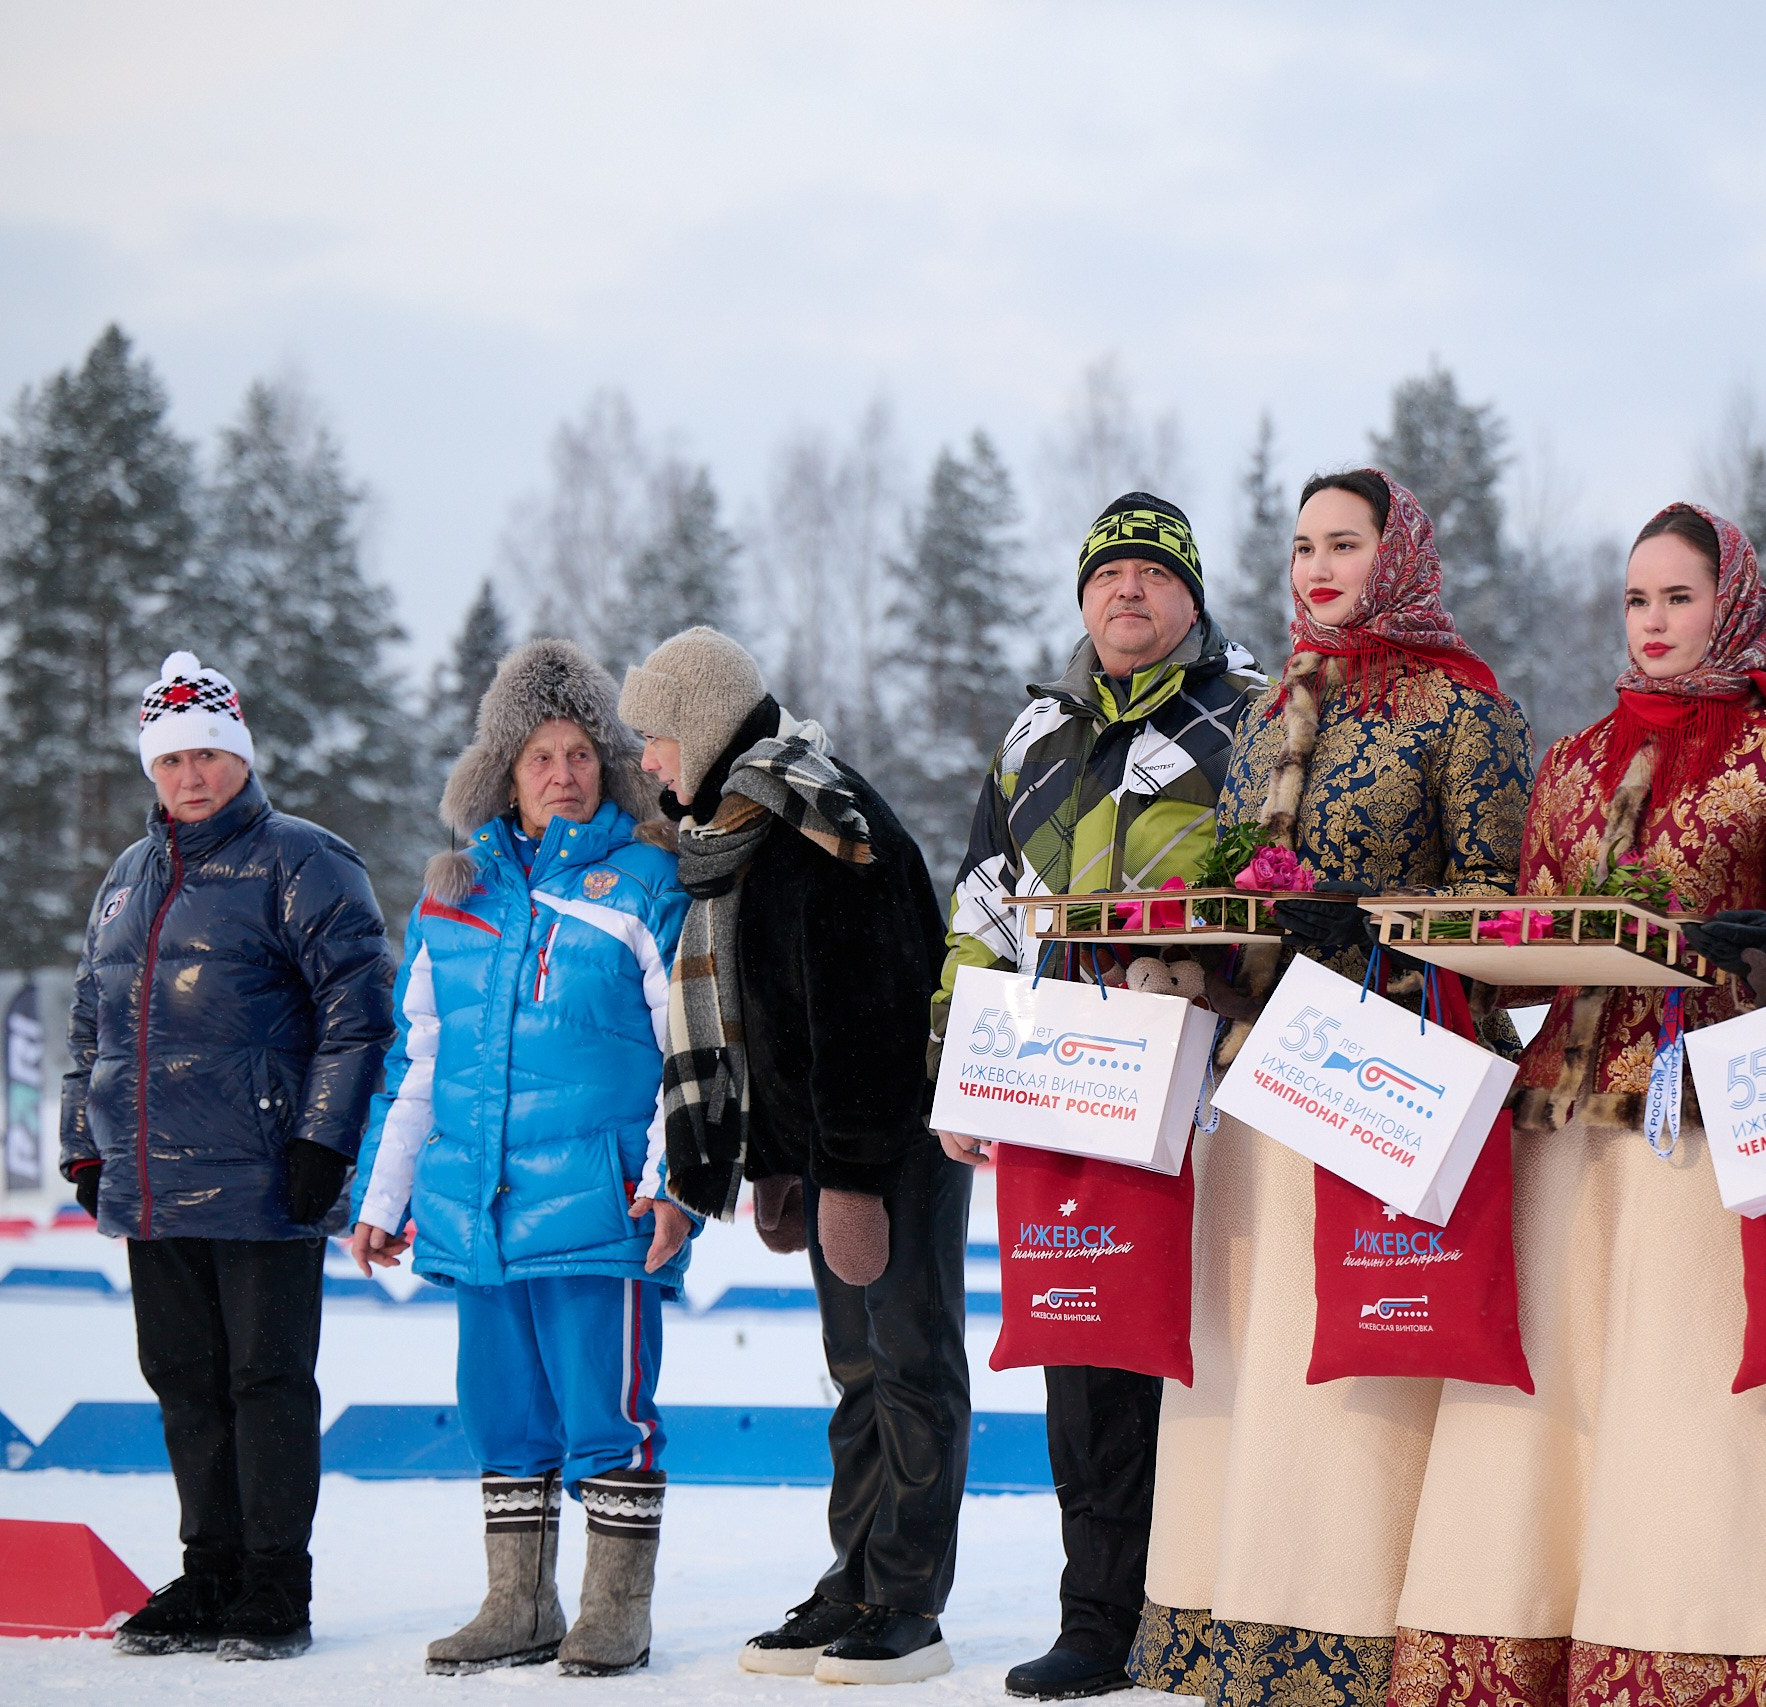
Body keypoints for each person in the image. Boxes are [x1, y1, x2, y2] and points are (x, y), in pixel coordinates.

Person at [1386, 505, 1766, 1707]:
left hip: (1712, 1126)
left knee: (1695, 1390)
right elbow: (1536, 934)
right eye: (1636, 600)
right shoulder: (1567, 762)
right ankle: (1525, 1642)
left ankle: (1722, 1642)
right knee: (1551, 1397)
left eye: (1679, 596)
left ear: (1736, 602)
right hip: (1566, 1122)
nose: (1655, 622)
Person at [1130, 470, 1533, 1707]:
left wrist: (1361, 921)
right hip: (1257, 1077)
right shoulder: (1264, 715)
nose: (1316, 567)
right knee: (1251, 1352)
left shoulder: (1466, 709)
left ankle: (1348, 1626)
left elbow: (1500, 903)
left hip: (1384, 1077)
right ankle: (1237, 1615)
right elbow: (1231, 876)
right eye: (1302, 544)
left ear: (1395, 555)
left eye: (1343, 544)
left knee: (1353, 1365)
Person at [932, 492, 1271, 1699]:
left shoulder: (1254, 717)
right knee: (1084, 1348)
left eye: (1152, 572)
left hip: (1212, 1085)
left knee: (1218, 1349)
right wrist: (954, 1058)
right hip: (1060, 1077)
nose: (1128, 591)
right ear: (1082, 597)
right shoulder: (1033, 733)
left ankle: (1218, 1605)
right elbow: (980, 900)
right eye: (1107, 573)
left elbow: (1282, 893)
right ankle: (1098, 1615)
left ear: (1191, 595)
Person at [616, 624, 960, 1686]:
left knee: (909, 1367)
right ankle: (855, 1577)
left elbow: (870, 1019)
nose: (646, 761)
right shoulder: (738, 831)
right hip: (826, 1154)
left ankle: (908, 1602)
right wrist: (773, 1159)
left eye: (657, 739)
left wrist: (850, 1177)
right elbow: (770, 1023)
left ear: (704, 728)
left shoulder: (820, 826)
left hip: (889, 1145)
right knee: (855, 1370)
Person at [345, 638, 691, 1678]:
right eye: (539, 755)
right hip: (476, 1210)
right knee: (503, 1414)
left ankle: (613, 1611)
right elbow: (419, 1060)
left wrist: (672, 1180)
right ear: (503, 770)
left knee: (607, 1412)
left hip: (599, 1210)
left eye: (581, 752)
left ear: (609, 764)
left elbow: (693, 1047)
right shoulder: (454, 896)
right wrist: (383, 1192)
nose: (562, 773)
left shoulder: (645, 882)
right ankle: (516, 1604)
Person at [59, 650, 394, 1661]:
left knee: (266, 1381)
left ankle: (272, 1589)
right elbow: (92, 1026)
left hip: (262, 1181)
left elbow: (358, 1016)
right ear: (151, 771)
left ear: (241, 756)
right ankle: (208, 1574)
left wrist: (322, 1140)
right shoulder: (127, 879)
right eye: (171, 760)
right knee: (183, 1379)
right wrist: (88, 1146)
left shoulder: (306, 861)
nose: (190, 776)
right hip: (154, 1185)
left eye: (208, 754)